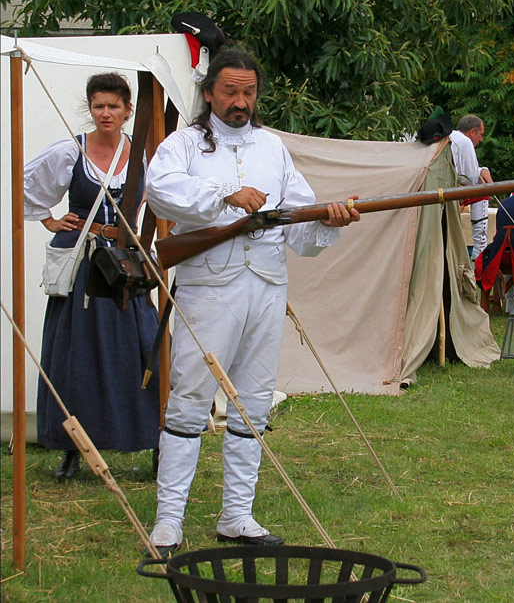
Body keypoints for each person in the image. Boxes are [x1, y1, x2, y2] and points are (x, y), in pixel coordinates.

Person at [145, 50, 360, 554]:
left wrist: (326, 219)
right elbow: (162, 192)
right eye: (230, 92)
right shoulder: (183, 144)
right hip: (209, 287)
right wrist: (226, 194)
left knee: (253, 404)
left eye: (248, 93)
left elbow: (297, 222)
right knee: (190, 401)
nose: (240, 102)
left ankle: (237, 515)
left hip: (266, 285)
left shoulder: (272, 146)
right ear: (208, 93)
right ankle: (168, 519)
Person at [24, 73, 161, 480]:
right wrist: (50, 220)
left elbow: (168, 200)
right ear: (91, 107)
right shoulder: (71, 150)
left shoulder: (145, 155)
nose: (106, 113)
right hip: (83, 261)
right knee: (75, 356)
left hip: (126, 264)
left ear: (127, 111)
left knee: (141, 349)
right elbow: (25, 185)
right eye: (99, 106)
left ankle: (154, 441)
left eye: (113, 106)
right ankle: (72, 446)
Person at [450, 114, 492, 260]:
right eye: (480, 134)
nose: (480, 139)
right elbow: (471, 179)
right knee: (482, 193)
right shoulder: (464, 142)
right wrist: (482, 172)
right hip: (452, 191)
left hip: (447, 187)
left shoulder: (451, 137)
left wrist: (481, 170)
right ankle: (480, 250)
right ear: (472, 132)